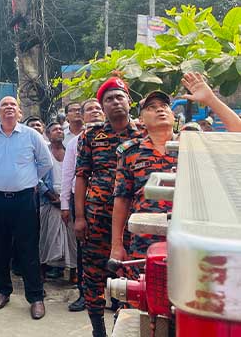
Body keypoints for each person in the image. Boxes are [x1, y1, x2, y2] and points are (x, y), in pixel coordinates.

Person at [74, 77, 143, 337]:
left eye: (119, 97)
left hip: (132, 222)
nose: (115, 102)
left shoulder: (142, 134)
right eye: (108, 99)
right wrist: (79, 217)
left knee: (130, 277)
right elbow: (81, 175)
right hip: (96, 218)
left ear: (129, 101)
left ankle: (122, 328)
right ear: (102, 106)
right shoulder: (91, 135)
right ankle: (97, 330)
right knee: (92, 276)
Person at [0, 96, 53, 319]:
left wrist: (28, 180)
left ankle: (36, 297)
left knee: (28, 248)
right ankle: (2, 291)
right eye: (4, 106)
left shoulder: (31, 135)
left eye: (13, 105)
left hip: (24, 200)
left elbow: (45, 163)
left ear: (19, 112)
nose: (9, 108)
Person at [111, 91, 177, 274]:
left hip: (187, 238)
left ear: (173, 115)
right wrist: (116, 245)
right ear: (141, 119)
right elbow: (122, 200)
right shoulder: (131, 152)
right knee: (144, 295)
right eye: (151, 108)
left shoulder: (192, 145)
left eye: (164, 107)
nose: (160, 111)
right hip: (144, 239)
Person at [60, 98, 104, 312]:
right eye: (89, 109)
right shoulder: (75, 142)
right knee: (84, 250)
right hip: (83, 203)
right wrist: (65, 205)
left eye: (98, 108)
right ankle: (85, 294)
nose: (94, 112)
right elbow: (68, 174)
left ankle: (113, 295)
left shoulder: (117, 138)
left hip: (111, 203)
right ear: (82, 116)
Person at [38, 122, 76, 278]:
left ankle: (73, 272)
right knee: (46, 237)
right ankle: (42, 274)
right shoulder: (43, 153)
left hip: (68, 200)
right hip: (49, 201)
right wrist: (50, 195)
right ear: (47, 134)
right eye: (55, 129)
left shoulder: (71, 151)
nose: (59, 131)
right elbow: (36, 176)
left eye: (61, 129)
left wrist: (66, 198)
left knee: (71, 239)